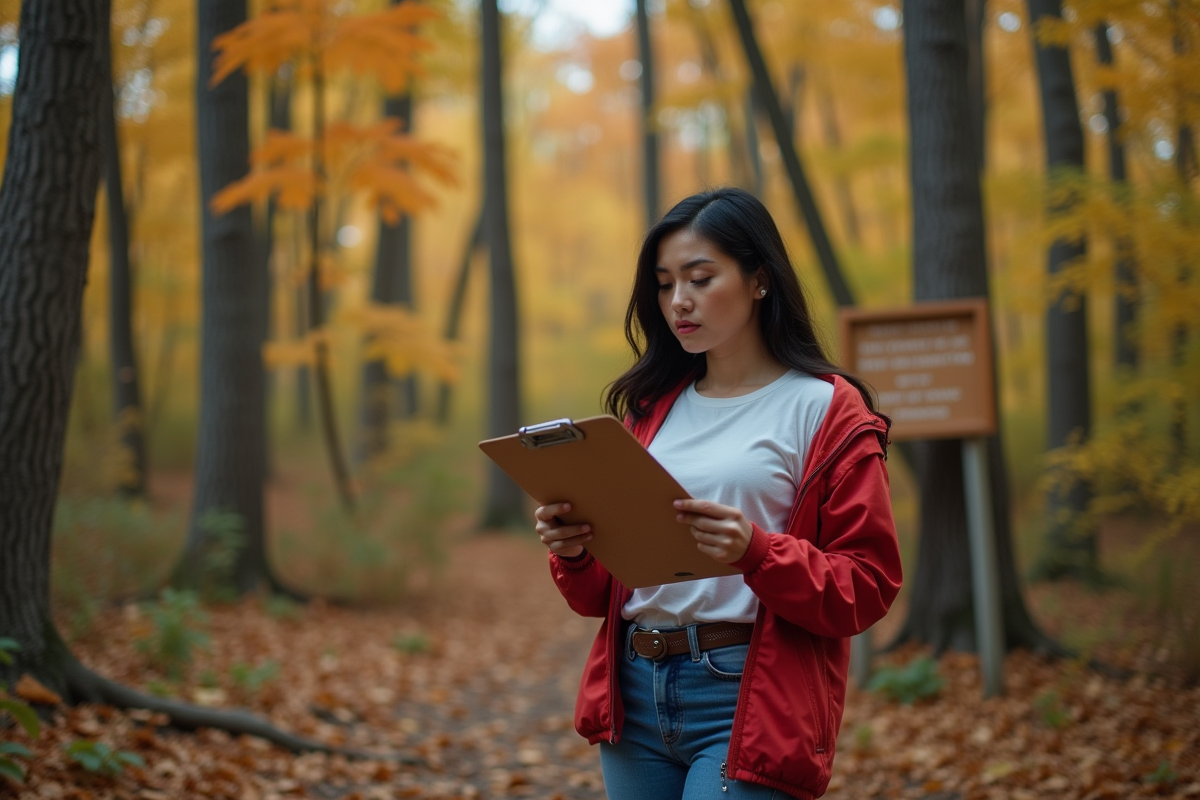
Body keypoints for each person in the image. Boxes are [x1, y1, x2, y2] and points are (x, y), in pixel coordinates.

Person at [534, 187, 902, 800]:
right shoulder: (652, 411)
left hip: (748, 694)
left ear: (759, 279)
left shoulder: (826, 408)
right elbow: (605, 593)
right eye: (664, 283)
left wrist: (757, 552)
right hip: (634, 691)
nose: (680, 301)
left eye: (701, 278)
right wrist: (573, 552)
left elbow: (866, 585)